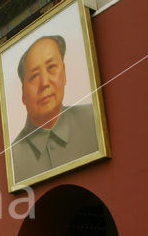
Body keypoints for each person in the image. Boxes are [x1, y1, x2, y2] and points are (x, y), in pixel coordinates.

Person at [10, 35, 98, 183]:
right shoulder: (13, 157)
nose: (45, 83)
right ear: (23, 93)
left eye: (51, 67)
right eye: (34, 76)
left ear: (63, 73)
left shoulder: (93, 120)